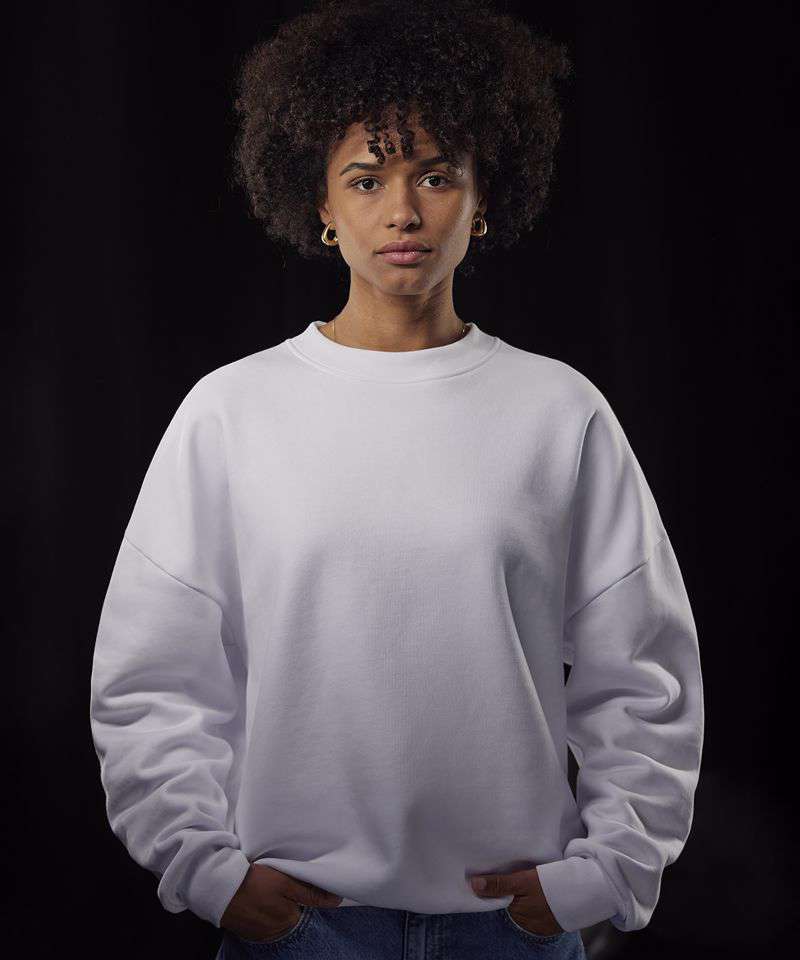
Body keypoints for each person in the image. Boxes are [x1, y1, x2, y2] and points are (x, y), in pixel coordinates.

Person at [89, 1, 704, 958]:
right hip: (298, 932)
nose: (404, 212)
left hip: (511, 932)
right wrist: (206, 871)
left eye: (437, 176)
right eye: (367, 179)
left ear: (482, 199)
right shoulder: (232, 411)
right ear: (321, 206)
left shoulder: (559, 411)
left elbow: (643, 672)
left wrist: (605, 875)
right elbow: (152, 677)